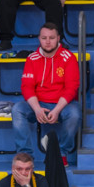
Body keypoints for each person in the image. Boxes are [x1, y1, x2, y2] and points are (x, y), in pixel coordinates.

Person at [11, 23, 81, 165]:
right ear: (39, 39)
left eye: (51, 37)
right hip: (39, 103)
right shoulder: (32, 58)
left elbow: (71, 88)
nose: (48, 41)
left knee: (75, 114)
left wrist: (56, 110)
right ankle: (25, 157)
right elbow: (27, 87)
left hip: (62, 104)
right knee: (17, 109)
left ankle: (60, 154)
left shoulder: (69, 58)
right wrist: (36, 109)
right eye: (44, 38)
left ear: (58, 38)